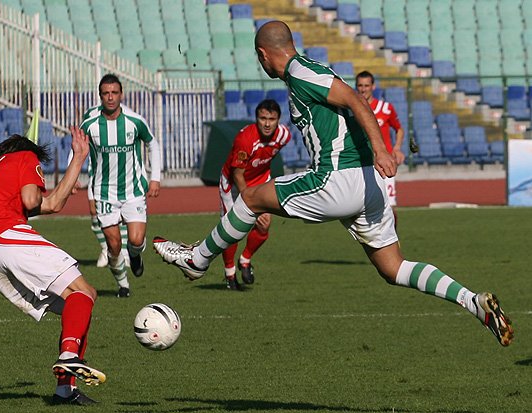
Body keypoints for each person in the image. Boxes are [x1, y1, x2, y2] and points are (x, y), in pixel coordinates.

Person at [153, 20, 514, 347]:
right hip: (367, 188)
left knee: (250, 197)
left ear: (263, 55)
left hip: (337, 179)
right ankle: (473, 302)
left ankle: (196, 259)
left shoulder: (300, 71)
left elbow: (356, 100)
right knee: (393, 267)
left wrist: (381, 149)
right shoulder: (306, 70)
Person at [0, 129, 106, 405]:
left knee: (77, 304)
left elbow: (52, 203)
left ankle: (65, 390)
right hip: (7, 235)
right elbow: (33, 200)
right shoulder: (25, 157)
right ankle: (69, 356)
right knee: (84, 291)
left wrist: (76, 163)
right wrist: (79, 155)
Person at [81, 73, 161, 298]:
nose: (110, 97)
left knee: (135, 240)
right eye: (106, 93)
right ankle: (123, 285)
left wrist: (155, 177)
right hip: (104, 193)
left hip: (133, 191)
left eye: (114, 93)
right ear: (100, 96)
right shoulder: (90, 125)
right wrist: (74, 176)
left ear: (121, 94)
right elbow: (76, 150)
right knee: (114, 246)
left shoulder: (134, 121)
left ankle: (135, 255)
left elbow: (153, 145)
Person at [219, 99, 291, 290]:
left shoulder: (284, 136)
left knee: (264, 224)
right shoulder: (245, 139)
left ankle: (245, 260)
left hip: (260, 180)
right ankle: (229, 273)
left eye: (272, 119)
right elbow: (237, 174)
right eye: (262, 118)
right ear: (256, 118)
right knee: (232, 230)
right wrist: (248, 203)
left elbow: (266, 157)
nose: (267, 123)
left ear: (278, 120)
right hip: (234, 184)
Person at [355, 70, 405, 227]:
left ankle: (393, 243)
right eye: (360, 86)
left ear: (373, 87)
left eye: (366, 86)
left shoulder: (385, 108)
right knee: (362, 208)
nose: (363, 89)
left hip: (385, 164)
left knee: (390, 207)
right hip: (362, 164)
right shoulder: (353, 110)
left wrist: (397, 148)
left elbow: (399, 129)